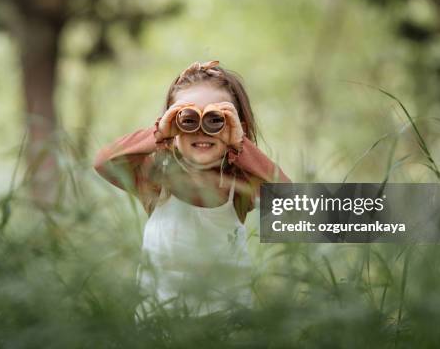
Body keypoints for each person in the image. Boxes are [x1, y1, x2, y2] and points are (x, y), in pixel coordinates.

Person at [93, 60, 291, 321]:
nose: (201, 127)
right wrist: (158, 133)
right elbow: (103, 162)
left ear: (236, 124)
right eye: (187, 118)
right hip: (160, 327)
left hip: (229, 326)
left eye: (216, 119)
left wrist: (239, 145)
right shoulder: (157, 179)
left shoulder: (239, 184)